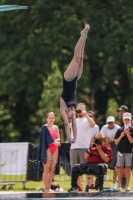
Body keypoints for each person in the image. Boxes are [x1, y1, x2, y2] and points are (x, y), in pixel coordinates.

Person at [60, 24, 90, 143]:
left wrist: (68, 138)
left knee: (76, 57)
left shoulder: (63, 108)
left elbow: (68, 125)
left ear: (65, 117)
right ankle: (84, 36)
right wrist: (75, 138)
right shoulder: (72, 110)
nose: (72, 118)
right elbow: (74, 126)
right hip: (76, 79)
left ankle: (82, 35)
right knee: (81, 58)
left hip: (68, 79)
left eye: (70, 118)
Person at [70, 103, 95, 191]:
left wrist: (86, 115)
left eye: (81, 109)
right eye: (78, 109)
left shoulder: (87, 120)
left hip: (84, 147)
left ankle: (88, 186)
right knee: (75, 168)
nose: (79, 110)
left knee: (86, 167)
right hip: (74, 147)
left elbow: (93, 125)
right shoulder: (73, 120)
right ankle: (77, 185)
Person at [37, 112, 61, 192]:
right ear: (47, 119)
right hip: (48, 148)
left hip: (55, 149)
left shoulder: (56, 127)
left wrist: (55, 142)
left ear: (54, 119)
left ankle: (49, 187)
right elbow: (45, 140)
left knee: (51, 169)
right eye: (49, 118)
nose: (51, 119)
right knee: (46, 168)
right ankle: (46, 188)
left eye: (52, 118)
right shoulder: (44, 127)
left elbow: (58, 138)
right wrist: (55, 142)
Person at [114, 112, 133, 191]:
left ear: (130, 120)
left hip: (128, 151)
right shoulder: (119, 130)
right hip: (120, 152)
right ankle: (119, 185)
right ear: (123, 120)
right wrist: (121, 135)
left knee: (128, 168)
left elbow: (131, 141)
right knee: (119, 168)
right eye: (125, 120)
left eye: (128, 120)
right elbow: (116, 142)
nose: (126, 121)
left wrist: (127, 134)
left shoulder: (132, 129)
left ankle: (127, 185)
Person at [100, 116, 120, 189]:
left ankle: (114, 183)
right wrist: (106, 141)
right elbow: (101, 136)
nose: (110, 123)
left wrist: (111, 141)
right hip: (106, 146)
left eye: (111, 122)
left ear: (114, 122)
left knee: (115, 166)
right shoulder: (104, 127)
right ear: (107, 122)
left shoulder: (118, 128)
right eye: (109, 122)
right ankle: (102, 179)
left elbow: (118, 139)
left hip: (115, 147)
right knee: (102, 162)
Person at [85, 111, 99, 192]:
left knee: (91, 165)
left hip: (92, 147)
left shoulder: (96, 127)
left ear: (93, 117)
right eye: (88, 115)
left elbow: (96, 137)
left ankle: (90, 183)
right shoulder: (84, 125)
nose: (90, 117)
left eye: (91, 116)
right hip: (84, 146)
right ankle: (88, 184)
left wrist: (91, 143)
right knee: (87, 166)